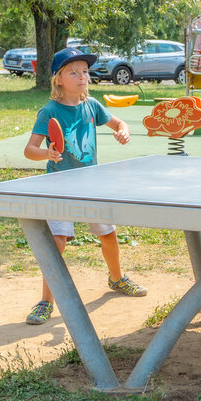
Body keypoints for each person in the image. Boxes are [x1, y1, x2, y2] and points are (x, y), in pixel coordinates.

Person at [22, 46, 145, 325]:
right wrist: (47, 154)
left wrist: (123, 131)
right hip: (59, 186)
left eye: (85, 72)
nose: (82, 77)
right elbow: (30, 150)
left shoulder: (93, 106)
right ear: (58, 80)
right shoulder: (49, 111)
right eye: (73, 72)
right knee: (57, 242)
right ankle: (45, 301)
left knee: (108, 234)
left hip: (91, 185)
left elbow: (119, 123)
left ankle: (117, 278)